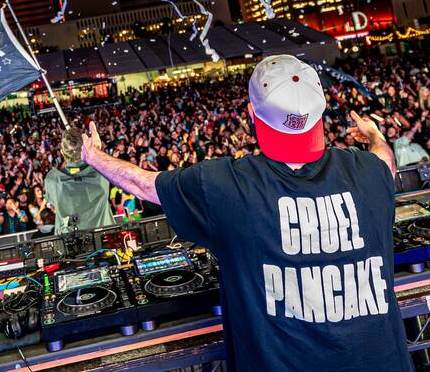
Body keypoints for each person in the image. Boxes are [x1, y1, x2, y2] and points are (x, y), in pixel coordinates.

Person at [81, 55, 411, 371]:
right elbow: (385, 162)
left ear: (253, 114)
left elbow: (145, 186)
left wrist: (95, 157)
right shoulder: (370, 171)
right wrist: (375, 135)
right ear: (320, 111)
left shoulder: (226, 186)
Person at [43, 125, 114, 234]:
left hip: (69, 244)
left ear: (62, 152)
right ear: (85, 149)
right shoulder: (102, 172)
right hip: (106, 240)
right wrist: (97, 153)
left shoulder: (52, 179)